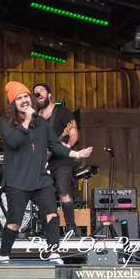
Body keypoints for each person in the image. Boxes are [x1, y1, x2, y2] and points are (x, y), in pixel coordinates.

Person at [0, 81, 92, 263]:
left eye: (26, 96)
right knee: (14, 221)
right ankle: (3, 255)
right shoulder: (6, 122)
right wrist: (26, 120)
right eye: (19, 98)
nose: (24, 100)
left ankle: (54, 253)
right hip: (17, 180)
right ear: (13, 103)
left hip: (40, 179)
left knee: (52, 214)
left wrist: (78, 153)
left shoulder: (41, 122)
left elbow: (56, 146)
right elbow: (14, 142)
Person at [33, 82, 80, 236]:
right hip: (43, 162)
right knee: (42, 194)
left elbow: (73, 133)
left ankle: (71, 228)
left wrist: (66, 146)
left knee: (63, 190)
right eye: (35, 92)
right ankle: (47, 229)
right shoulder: (35, 117)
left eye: (41, 91)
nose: (38, 94)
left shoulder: (61, 112)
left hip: (61, 160)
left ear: (49, 95)